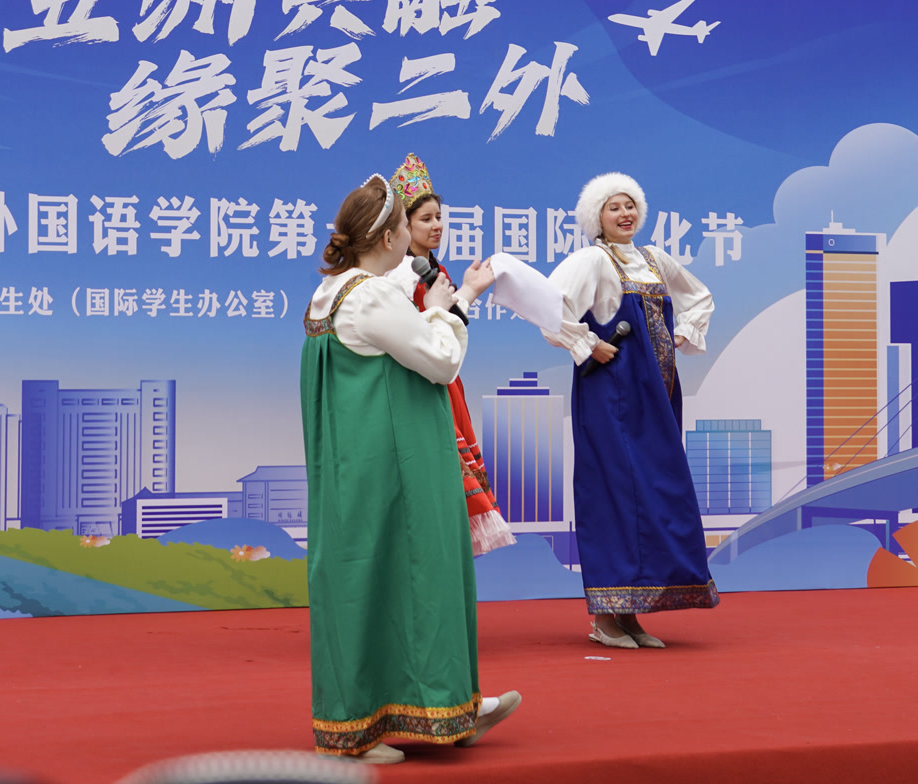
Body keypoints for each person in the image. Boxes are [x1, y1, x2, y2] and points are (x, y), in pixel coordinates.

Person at [300, 174, 521, 762]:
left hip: (363, 463)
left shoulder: (332, 291)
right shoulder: (370, 295)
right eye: (406, 224)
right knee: (410, 578)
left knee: (386, 583)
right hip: (394, 465)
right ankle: (359, 729)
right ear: (388, 237)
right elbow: (441, 361)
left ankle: (445, 708)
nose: (413, 235)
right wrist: (449, 310)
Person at [542, 172, 718, 649]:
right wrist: (587, 344)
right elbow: (550, 308)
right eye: (613, 207)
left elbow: (699, 298)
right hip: (610, 393)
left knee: (655, 491)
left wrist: (683, 333)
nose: (625, 214)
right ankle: (605, 616)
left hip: (657, 394)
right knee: (614, 492)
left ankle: (633, 611)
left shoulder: (656, 259)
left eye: (630, 205)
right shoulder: (592, 261)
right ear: (596, 217)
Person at [383, 152, 517, 557]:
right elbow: (413, 331)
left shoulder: (431, 269)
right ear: (403, 226)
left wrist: (469, 290)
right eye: (425, 218)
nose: (436, 225)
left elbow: (444, 322)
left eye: (439, 217)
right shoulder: (400, 274)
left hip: (443, 379)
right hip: (418, 381)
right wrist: (463, 297)